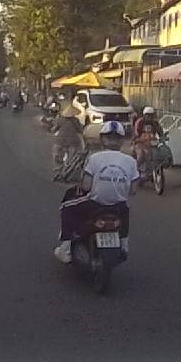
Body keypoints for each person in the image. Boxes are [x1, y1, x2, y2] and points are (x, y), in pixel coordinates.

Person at [54, 120, 139, 264]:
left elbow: (86, 187)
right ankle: (124, 245)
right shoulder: (131, 161)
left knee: (66, 207)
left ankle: (66, 248)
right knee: (125, 210)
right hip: (118, 207)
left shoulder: (94, 158)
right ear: (122, 140)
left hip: (95, 205)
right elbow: (133, 190)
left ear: (102, 139)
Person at [51, 106, 86, 180]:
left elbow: (54, 129)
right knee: (71, 158)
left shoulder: (61, 120)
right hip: (72, 142)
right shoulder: (76, 120)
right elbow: (80, 130)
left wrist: (53, 129)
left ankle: (58, 167)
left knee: (56, 154)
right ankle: (67, 169)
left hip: (60, 140)